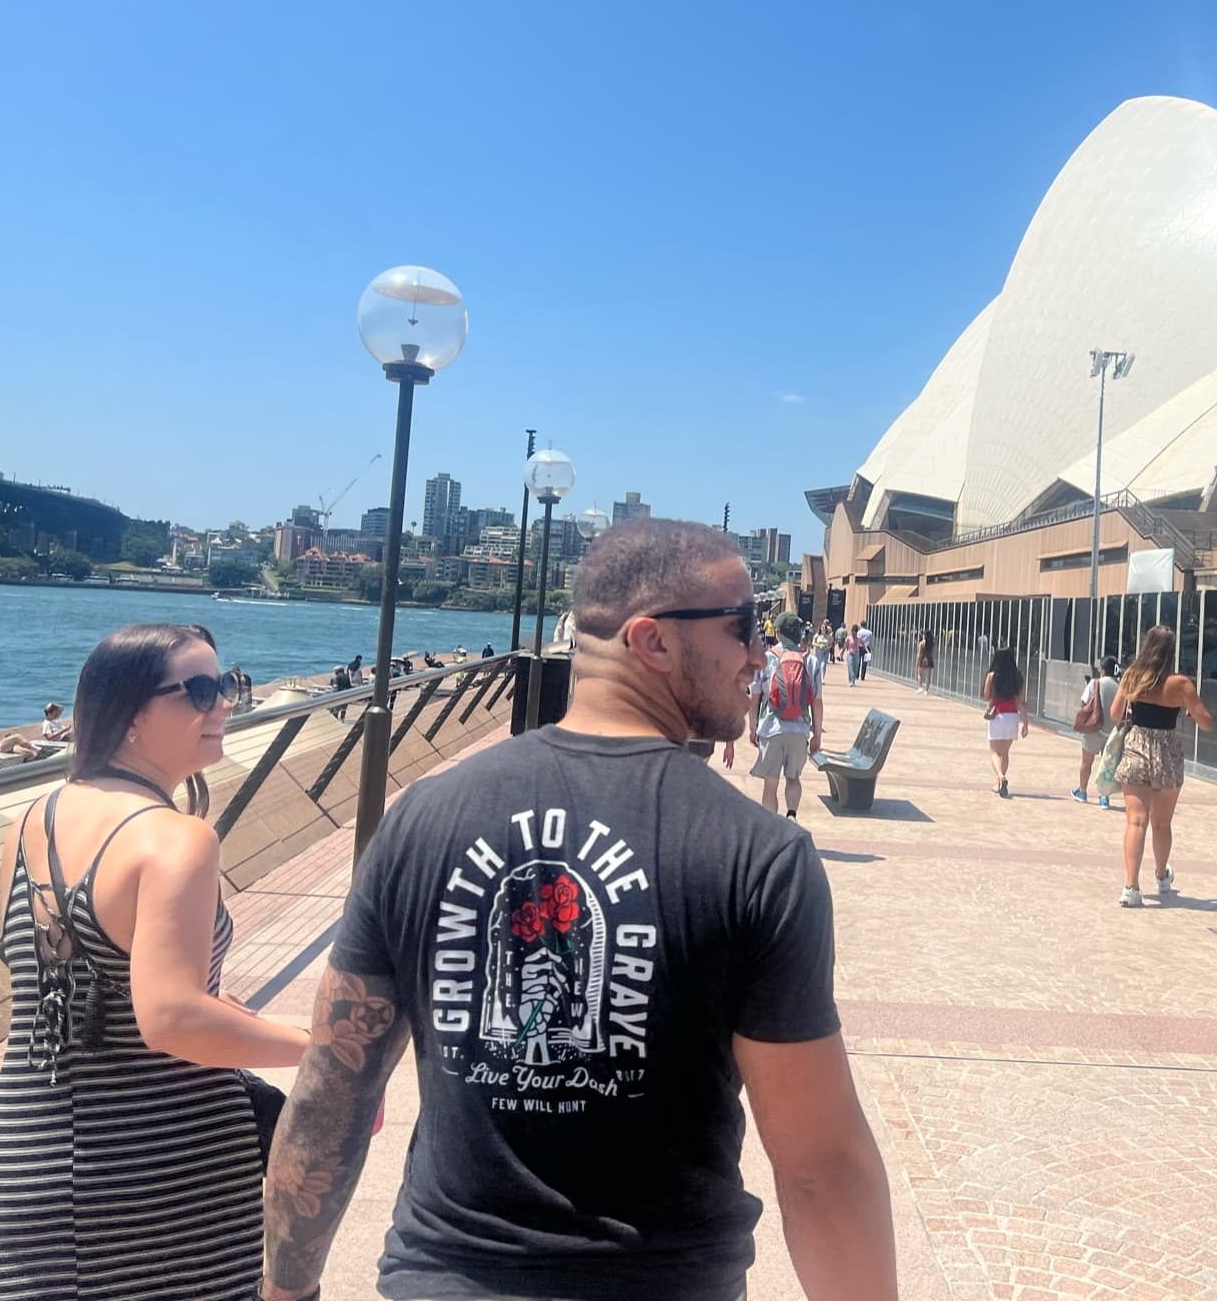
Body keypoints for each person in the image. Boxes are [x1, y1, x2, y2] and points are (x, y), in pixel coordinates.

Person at [258, 517, 893, 1301]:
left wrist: (286, 1290)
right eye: (743, 627)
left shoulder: (423, 817)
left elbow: (332, 1090)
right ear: (652, 641)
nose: (761, 654)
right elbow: (820, 1168)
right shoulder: (754, 854)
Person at [0, 623, 310, 1300]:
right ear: (132, 712)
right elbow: (170, 1019)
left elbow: (66, 976)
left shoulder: (31, 823)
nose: (224, 704)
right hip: (156, 1183)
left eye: (225, 686)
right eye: (201, 690)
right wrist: (325, 1053)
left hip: (21, 1164)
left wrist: (208, 1001)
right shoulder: (176, 839)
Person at [1109, 623, 1214, 908]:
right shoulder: (1180, 684)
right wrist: (1188, 710)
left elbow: (1115, 713)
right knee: (1161, 823)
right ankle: (1161, 876)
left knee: (1135, 821)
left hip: (1136, 750)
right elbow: (1206, 722)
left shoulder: (1132, 676)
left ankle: (1131, 887)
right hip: (1167, 753)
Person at [748, 611, 825, 820]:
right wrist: (817, 735)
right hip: (799, 730)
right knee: (793, 778)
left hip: (771, 728)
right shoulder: (811, 662)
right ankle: (791, 815)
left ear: (778, 633)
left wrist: (753, 728)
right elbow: (817, 702)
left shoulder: (765, 659)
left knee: (770, 782)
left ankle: (772, 826)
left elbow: (754, 698)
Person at [1071, 657, 1121, 808]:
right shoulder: (1119, 686)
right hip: (1112, 731)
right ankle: (1104, 797)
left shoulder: (1095, 683)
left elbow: (1084, 703)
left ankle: (1082, 791)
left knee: (1086, 762)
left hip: (1094, 728)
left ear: (1102, 669)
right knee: (1107, 765)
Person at [981, 646, 1026, 798]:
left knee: (994, 752)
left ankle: (1001, 777)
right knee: (1005, 753)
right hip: (1013, 717)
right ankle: (999, 784)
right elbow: (1021, 702)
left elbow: (986, 696)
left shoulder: (992, 676)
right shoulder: (1018, 677)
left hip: (998, 716)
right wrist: (1025, 723)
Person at [915, 630, 935, 695]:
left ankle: (920, 687)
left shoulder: (921, 643)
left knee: (920, 674)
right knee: (928, 676)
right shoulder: (932, 644)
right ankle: (926, 690)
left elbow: (919, 653)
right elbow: (932, 653)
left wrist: (917, 661)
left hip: (922, 659)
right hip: (929, 659)